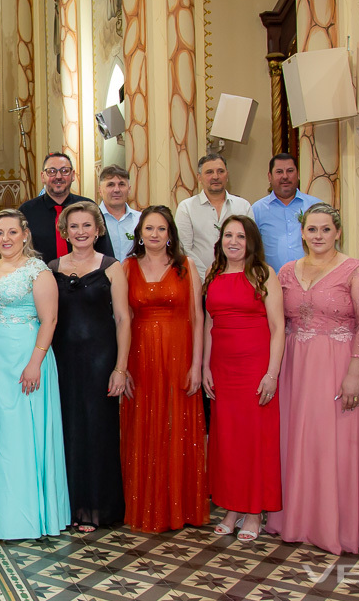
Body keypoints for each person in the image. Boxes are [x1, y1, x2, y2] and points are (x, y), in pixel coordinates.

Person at [266, 203, 359, 554]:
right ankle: (295, 520)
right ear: (302, 232)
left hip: (338, 364)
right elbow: (276, 322)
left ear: (338, 232)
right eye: (312, 229)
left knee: (334, 446)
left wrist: (355, 374)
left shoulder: (356, 271)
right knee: (297, 442)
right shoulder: (286, 271)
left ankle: (336, 525)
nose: (318, 236)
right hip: (295, 368)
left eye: (325, 229)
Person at [0, 209, 68, 540]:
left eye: (11, 232)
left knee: (17, 435)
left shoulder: (38, 271)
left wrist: (35, 362)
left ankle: (21, 515)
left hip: (23, 360)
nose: (5, 238)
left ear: (25, 234)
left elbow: (49, 320)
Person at [120, 205, 208, 533]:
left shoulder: (186, 266)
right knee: (143, 425)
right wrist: (121, 366)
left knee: (177, 427)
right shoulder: (126, 268)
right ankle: (145, 505)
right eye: (149, 229)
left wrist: (197, 365)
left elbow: (198, 318)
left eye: (161, 229)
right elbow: (121, 319)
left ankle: (180, 506)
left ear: (170, 233)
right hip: (139, 358)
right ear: (139, 234)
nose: (154, 235)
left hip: (179, 355)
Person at [201, 216, 284, 543]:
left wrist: (272, 373)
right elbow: (209, 323)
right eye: (227, 235)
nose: (233, 241)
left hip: (255, 368)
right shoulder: (213, 273)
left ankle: (253, 512)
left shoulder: (264, 274)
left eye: (240, 236)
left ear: (251, 241)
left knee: (253, 441)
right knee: (227, 441)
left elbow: (278, 328)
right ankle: (231, 508)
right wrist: (206, 367)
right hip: (222, 368)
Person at [49, 202, 130, 532]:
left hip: (101, 361)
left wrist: (120, 368)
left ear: (98, 230)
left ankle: (97, 508)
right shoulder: (51, 267)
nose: (80, 232)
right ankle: (67, 505)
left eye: (87, 226)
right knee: (65, 432)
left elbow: (124, 320)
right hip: (63, 361)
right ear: (64, 232)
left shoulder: (112, 267)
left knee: (98, 434)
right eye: (74, 226)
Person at [19, 152, 113, 265]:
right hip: (39, 279)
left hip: (85, 278)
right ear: (42, 176)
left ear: (73, 175)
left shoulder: (89, 207)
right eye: (51, 172)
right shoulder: (26, 211)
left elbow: (104, 251)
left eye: (64, 171)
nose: (58, 177)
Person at [174, 153, 253, 280]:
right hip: (199, 282)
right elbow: (185, 249)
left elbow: (251, 245)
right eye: (209, 172)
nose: (215, 176)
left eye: (220, 171)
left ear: (227, 174)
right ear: (199, 177)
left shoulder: (243, 206)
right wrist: (208, 277)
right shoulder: (186, 208)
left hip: (239, 281)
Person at [251, 154, 322, 271]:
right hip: (272, 282)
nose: (285, 176)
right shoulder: (257, 210)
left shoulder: (315, 207)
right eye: (279, 172)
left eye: (290, 171)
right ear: (269, 176)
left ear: (298, 174)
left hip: (312, 280)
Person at [97, 165, 140, 261]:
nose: (116, 190)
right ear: (100, 190)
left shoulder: (140, 220)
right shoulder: (91, 220)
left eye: (121, 184)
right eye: (110, 185)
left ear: (129, 189)